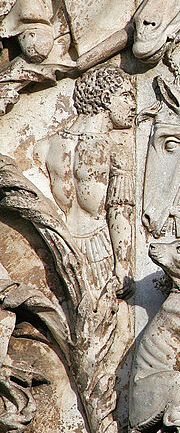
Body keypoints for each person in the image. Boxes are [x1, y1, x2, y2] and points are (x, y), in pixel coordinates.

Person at [34, 65, 135, 299]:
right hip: (100, 251)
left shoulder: (45, 147)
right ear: (105, 97)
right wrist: (123, 264)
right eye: (126, 96)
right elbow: (120, 210)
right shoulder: (115, 152)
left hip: (60, 249)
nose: (133, 105)